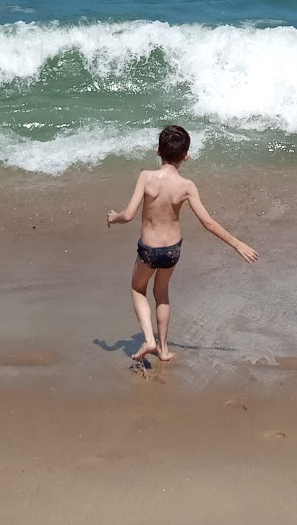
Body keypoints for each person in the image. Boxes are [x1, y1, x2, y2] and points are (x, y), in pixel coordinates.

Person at [106, 125, 257, 363]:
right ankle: (163, 350)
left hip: (149, 249)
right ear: (186, 156)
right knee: (162, 293)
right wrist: (237, 244)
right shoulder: (187, 187)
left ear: (158, 151)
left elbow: (128, 215)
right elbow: (207, 222)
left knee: (138, 289)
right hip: (172, 250)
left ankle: (149, 339)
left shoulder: (146, 177)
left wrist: (114, 217)